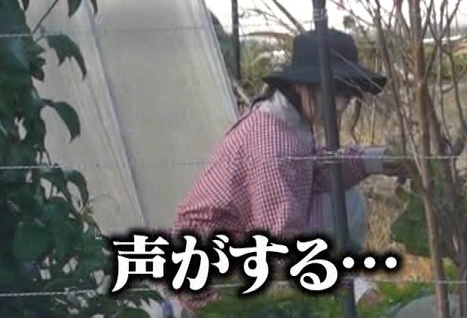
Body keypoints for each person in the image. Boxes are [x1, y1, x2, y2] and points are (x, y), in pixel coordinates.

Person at [165, 29, 412, 316]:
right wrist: (355, 289)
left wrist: (378, 160)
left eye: (348, 93)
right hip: (212, 278)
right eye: (336, 91)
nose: (342, 103)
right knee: (339, 204)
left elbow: (319, 169)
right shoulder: (272, 142)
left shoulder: (287, 124)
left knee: (339, 195)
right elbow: (284, 244)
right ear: (301, 86)